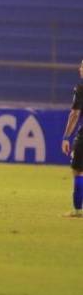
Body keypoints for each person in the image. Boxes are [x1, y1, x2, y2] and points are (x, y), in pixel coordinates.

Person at [61, 59, 83, 217]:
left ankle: (78, 210)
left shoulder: (81, 89)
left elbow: (75, 114)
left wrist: (66, 137)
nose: (80, 68)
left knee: (78, 170)